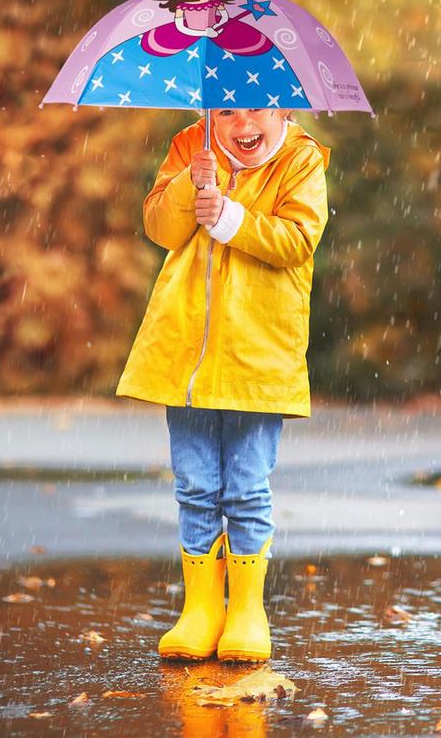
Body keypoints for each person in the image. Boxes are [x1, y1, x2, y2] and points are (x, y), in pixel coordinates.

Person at [116, 107, 330, 662]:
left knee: (246, 487)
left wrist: (231, 217)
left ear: (283, 106)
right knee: (194, 485)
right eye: (226, 111)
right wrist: (194, 183)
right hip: (186, 353)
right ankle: (201, 609)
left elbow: (297, 242)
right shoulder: (192, 145)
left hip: (256, 356)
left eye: (255, 107)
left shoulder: (300, 159)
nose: (241, 124)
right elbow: (161, 228)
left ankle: (247, 611)